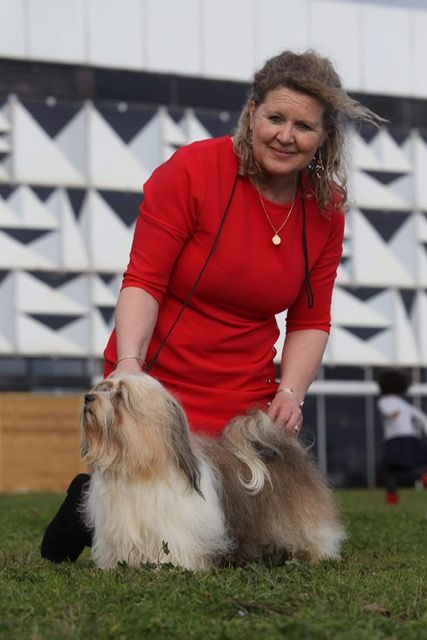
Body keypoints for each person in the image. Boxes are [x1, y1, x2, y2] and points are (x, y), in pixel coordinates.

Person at [41, 49, 382, 563]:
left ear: (324, 136)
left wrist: (291, 392)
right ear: (252, 113)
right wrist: (131, 368)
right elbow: (144, 279)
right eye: (275, 118)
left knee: (239, 522)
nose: (286, 136)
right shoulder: (192, 171)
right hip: (161, 382)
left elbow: (311, 318)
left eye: (304, 126)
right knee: (157, 487)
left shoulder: (326, 209)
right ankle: (92, 502)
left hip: (241, 394)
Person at [377, 368, 427, 504]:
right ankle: (423, 477)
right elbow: (422, 418)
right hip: (411, 439)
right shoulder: (404, 404)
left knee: (391, 471)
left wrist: (392, 414)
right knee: (415, 467)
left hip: (395, 440)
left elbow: (386, 411)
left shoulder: (383, 401)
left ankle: (392, 499)